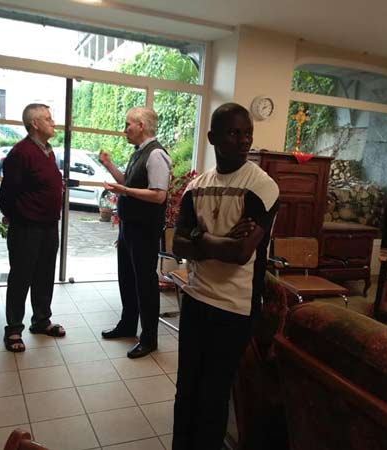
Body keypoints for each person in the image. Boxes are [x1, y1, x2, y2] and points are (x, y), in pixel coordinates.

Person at [171, 103, 279, 450]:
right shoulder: (196, 187)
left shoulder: (261, 187)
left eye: (248, 133)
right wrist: (215, 240)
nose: (244, 140)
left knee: (214, 393)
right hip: (196, 297)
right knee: (187, 387)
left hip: (235, 307)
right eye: (234, 133)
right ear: (212, 137)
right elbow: (177, 244)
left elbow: (241, 252)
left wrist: (198, 239)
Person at [98, 106, 171, 359]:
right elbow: (127, 183)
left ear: (141, 126)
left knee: (145, 284)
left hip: (144, 230)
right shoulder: (139, 152)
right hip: (129, 227)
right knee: (127, 278)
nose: (125, 129)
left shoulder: (156, 154)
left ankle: (149, 338)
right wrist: (108, 165)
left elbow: (158, 195)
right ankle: (128, 325)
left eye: (128, 124)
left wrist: (125, 191)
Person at [0, 103, 66, 353]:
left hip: (49, 226)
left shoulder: (48, 151)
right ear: (34, 124)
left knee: (44, 275)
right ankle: (14, 329)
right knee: (21, 277)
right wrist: (14, 216)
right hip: (27, 227)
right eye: (48, 118)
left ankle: (41, 321)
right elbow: (7, 194)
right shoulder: (21, 153)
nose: (53, 122)